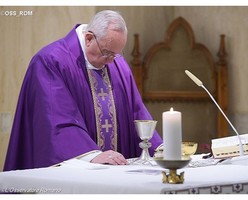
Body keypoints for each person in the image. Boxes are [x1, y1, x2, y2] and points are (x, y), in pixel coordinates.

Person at [4, 10, 163, 171]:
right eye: (107, 53)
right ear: (89, 39)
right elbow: (57, 119)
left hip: (115, 172)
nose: (110, 61)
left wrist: (159, 148)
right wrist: (90, 154)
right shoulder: (50, 61)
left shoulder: (117, 65)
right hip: (74, 169)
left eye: (116, 54)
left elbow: (136, 111)